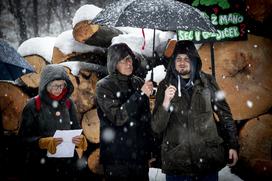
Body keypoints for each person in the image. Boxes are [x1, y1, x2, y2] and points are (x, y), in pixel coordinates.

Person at [151, 40, 239, 181]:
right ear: (173, 61)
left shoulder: (208, 82)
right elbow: (157, 127)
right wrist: (166, 102)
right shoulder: (165, 85)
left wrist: (233, 145)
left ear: (194, 60)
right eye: (178, 58)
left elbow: (225, 115)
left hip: (207, 159)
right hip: (177, 162)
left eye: (187, 59)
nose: (182, 62)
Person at [96, 43, 156, 181]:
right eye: (122, 61)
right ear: (114, 64)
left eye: (129, 58)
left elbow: (146, 120)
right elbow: (117, 117)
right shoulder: (104, 86)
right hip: (117, 157)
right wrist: (140, 95)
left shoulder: (138, 82)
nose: (128, 63)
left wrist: (150, 150)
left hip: (139, 157)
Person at [19, 64, 87, 181]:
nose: (59, 89)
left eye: (62, 85)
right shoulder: (33, 105)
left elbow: (75, 128)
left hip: (68, 166)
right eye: (55, 86)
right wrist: (41, 142)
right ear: (46, 84)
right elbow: (23, 139)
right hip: (42, 167)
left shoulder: (69, 104)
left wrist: (80, 140)